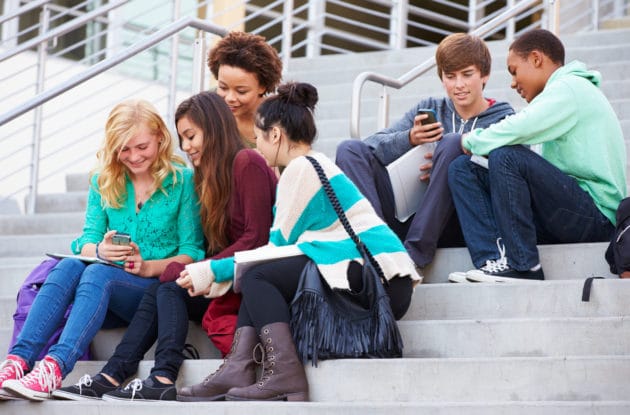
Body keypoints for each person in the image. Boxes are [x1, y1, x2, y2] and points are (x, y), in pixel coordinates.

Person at [175, 82, 422, 402]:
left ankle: (284, 375)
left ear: (275, 135)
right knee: (259, 273)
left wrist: (210, 271)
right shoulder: (311, 165)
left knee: (258, 274)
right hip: (382, 281)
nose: (255, 143)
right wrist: (214, 274)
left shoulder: (302, 169)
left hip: (378, 284)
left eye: (259, 135)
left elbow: (271, 252)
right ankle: (239, 366)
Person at [51, 92, 278, 402]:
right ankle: (116, 374)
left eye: (191, 136)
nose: (186, 147)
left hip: (252, 277)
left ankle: (158, 375)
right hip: (227, 273)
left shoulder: (246, 161)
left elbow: (255, 238)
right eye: (182, 138)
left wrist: (201, 267)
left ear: (214, 128)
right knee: (164, 288)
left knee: (168, 287)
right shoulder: (210, 177)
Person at [0, 100, 206, 401]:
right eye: (124, 149)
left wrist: (149, 266)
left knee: (97, 274)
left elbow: (192, 251)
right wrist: (100, 249)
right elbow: (84, 241)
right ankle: (16, 363)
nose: (133, 157)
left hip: (149, 292)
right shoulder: (104, 180)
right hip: (98, 296)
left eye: (141, 147)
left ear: (160, 138)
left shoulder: (182, 181)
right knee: (70, 266)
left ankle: (54, 368)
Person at [447, 29, 626, 283]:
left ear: (536, 59)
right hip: (565, 212)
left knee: (506, 155)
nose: (512, 82)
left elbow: (520, 127)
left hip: (595, 217)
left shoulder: (570, 87)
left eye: (514, 71)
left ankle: (525, 266)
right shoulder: (561, 93)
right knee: (462, 169)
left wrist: (470, 140)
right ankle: (492, 261)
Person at [335, 33, 514, 276]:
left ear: (485, 75)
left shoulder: (503, 117)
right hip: (412, 210)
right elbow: (371, 145)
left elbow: (510, 177)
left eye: (467, 74)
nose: (458, 84)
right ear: (442, 79)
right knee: (349, 149)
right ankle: (378, 249)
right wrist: (410, 138)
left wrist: (447, 166)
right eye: (450, 77)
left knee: (452, 145)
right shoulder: (431, 108)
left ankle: (413, 257)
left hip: (460, 221)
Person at [208, 30, 283, 147]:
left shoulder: (280, 120)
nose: (230, 98)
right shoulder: (209, 105)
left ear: (262, 87)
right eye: (223, 87)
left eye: (241, 91)